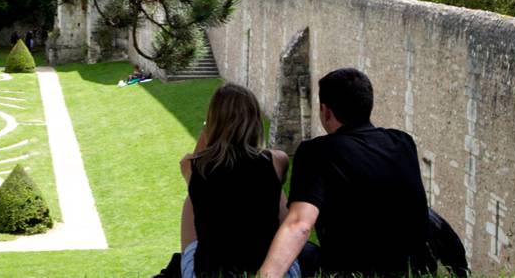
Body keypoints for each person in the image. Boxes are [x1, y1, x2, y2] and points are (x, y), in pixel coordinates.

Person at [258, 68, 436, 277]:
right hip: (413, 269)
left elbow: (300, 225)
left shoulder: (317, 151)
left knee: (280, 248)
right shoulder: (403, 142)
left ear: (326, 111)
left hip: (351, 270)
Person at [179, 83, 300, 278]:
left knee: (192, 199)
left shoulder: (190, 166)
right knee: (273, 187)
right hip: (272, 269)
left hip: (210, 272)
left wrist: (208, 128)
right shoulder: (278, 160)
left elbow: (198, 168)